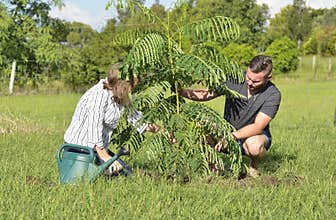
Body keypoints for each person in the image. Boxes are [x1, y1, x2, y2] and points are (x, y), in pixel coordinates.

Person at [180, 55, 281, 177]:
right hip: (226, 130)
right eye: (248, 77)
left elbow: (258, 126)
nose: (249, 82)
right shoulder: (235, 79)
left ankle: (254, 165)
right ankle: (213, 166)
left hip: (253, 135)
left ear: (268, 78)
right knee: (201, 124)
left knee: (254, 146)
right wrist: (180, 91)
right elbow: (206, 94)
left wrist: (231, 137)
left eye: (256, 81)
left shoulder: (273, 94)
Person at [64, 65, 160, 175]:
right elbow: (93, 131)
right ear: (123, 85)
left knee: (127, 173)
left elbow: (137, 119)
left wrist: (161, 131)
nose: (132, 91)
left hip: (96, 149)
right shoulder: (98, 95)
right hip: (79, 150)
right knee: (119, 176)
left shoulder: (120, 94)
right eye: (131, 87)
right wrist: (108, 159)